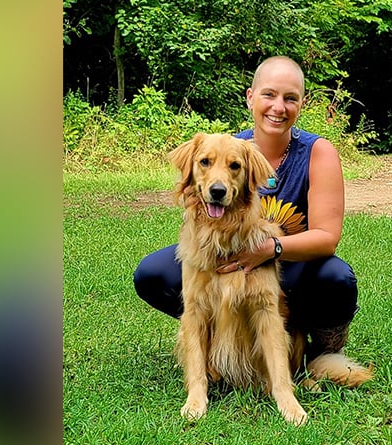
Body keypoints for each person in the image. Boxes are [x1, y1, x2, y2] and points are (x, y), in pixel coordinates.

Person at [133, 56, 360, 360]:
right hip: (230, 258)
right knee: (152, 272)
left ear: (301, 105)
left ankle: (321, 343)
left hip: (291, 268)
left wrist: (268, 249)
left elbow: (327, 238)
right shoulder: (228, 149)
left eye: (290, 98)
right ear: (250, 98)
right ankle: (222, 340)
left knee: (337, 279)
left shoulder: (318, 153)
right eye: (269, 94)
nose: (278, 107)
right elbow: (196, 197)